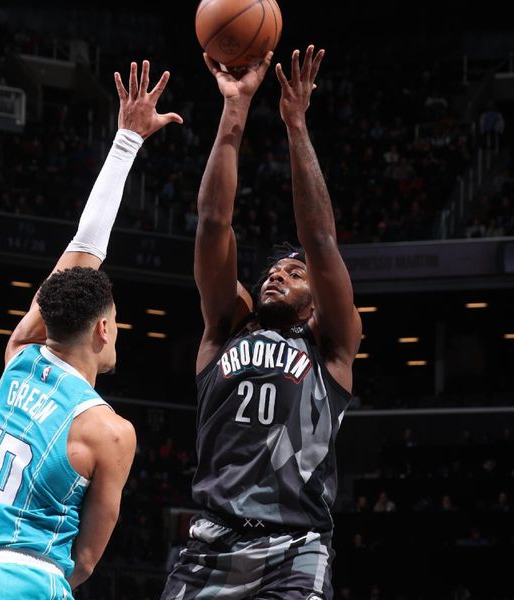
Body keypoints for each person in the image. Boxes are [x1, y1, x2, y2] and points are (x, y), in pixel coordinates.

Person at [0, 59, 182, 599]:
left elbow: (80, 257)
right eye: (115, 321)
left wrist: (125, 142)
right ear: (100, 329)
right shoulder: (111, 432)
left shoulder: (18, 358)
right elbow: (87, 560)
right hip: (31, 582)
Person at [160, 45, 362, 600]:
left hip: (296, 545)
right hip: (210, 541)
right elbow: (212, 222)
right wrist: (237, 105)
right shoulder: (227, 327)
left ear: (317, 300)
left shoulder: (332, 347)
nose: (278, 275)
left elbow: (321, 241)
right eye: (273, 269)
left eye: (294, 273)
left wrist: (296, 122)